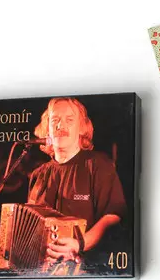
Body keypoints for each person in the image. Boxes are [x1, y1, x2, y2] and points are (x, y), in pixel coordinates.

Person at [27, 97, 126, 269]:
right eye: (55, 120)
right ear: (47, 129)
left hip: (87, 267)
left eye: (69, 120)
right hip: (43, 270)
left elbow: (113, 216)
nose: (60, 126)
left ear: (81, 128)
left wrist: (80, 243)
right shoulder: (38, 174)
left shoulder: (99, 165)